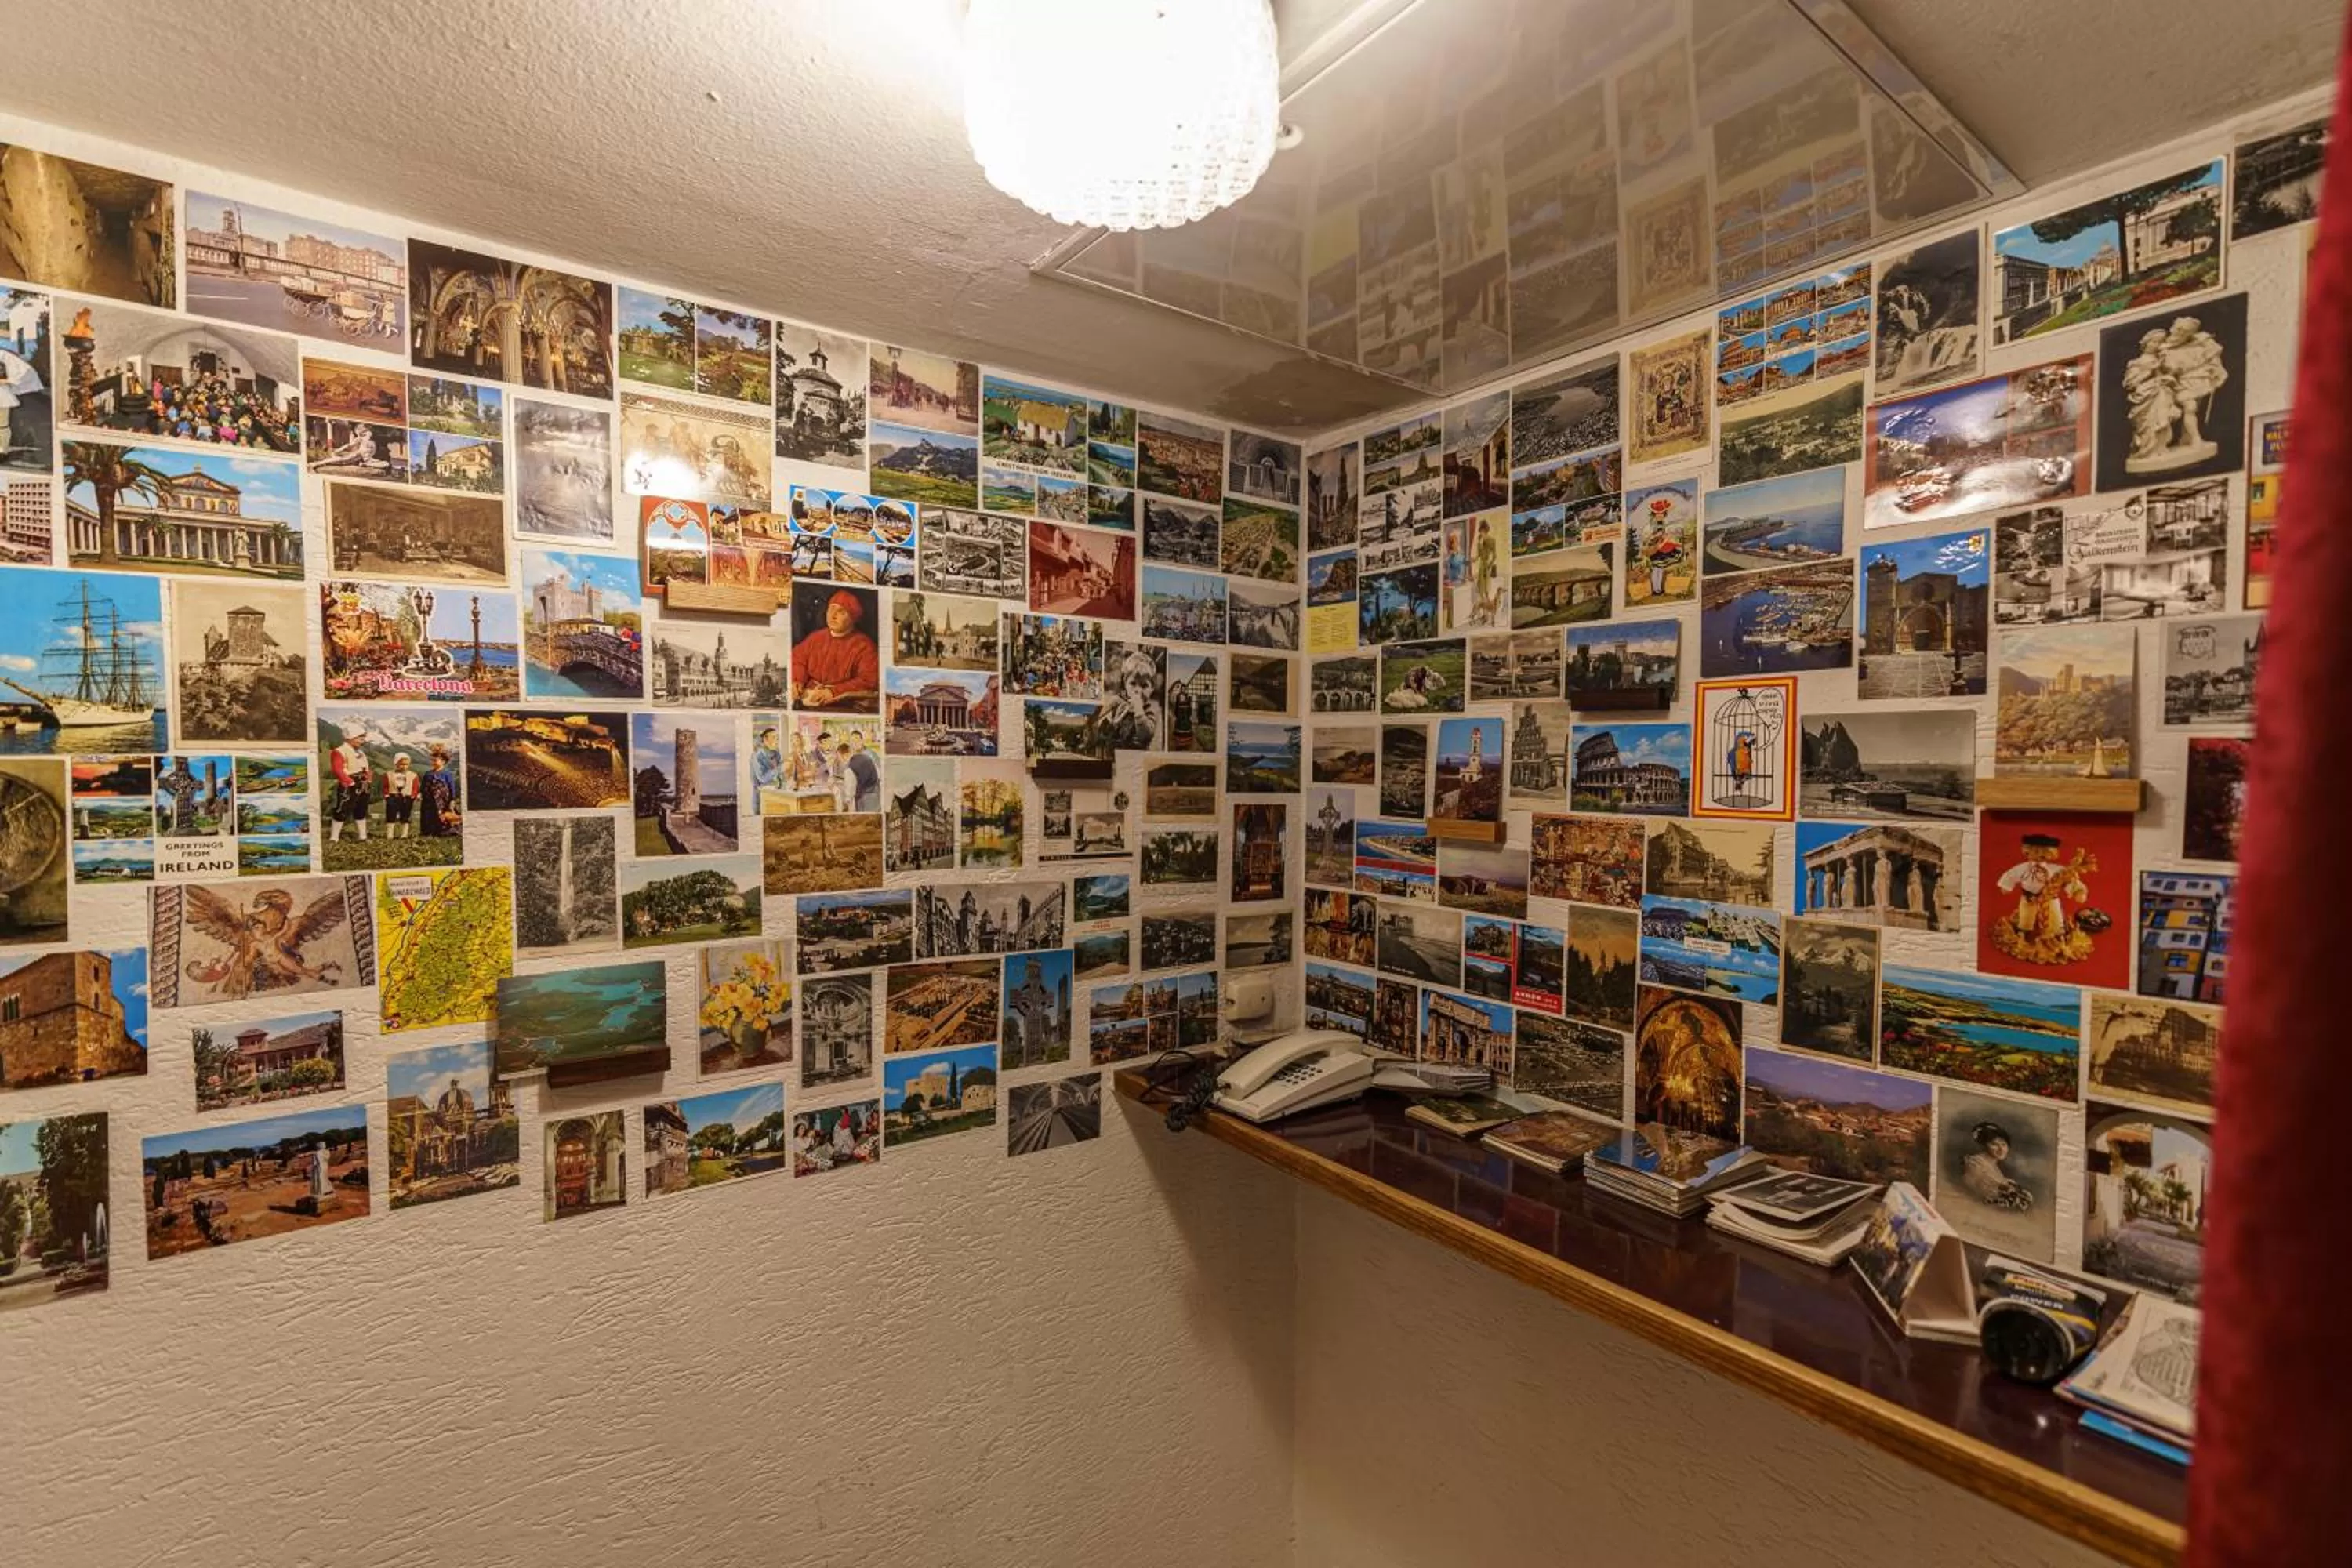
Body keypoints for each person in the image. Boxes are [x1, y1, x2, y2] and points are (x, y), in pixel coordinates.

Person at [791, 588, 879, 711]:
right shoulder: (816, 637)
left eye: (841, 612)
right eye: (831, 609)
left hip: (841, 704)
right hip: (808, 697)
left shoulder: (864, 645)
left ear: (852, 618)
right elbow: (798, 658)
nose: (833, 616)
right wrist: (797, 679)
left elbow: (869, 680)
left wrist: (833, 691)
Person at [1961, 1122, 2034, 1211]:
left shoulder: (1994, 1166)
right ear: (1984, 1145)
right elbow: (1973, 1191)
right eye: (1994, 1144)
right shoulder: (1975, 1163)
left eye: (2004, 1144)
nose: (2001, 1149)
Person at [328, 723, 373, 842]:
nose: (362, 741)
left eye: (363, 738)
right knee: (342, 809)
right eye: (360, 738)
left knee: (361, 810)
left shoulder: (360, 752)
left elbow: (366, 767)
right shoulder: (339, 751)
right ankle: (334, 838)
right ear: (350, 737)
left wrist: (369, 779)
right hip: (349, 784)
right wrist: (350, 782)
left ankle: (363, 836)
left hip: (363, 784)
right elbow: (337, 769)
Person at [420, 744, 459, 837]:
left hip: (443, 800)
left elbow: (451, 787)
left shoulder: (447, 774)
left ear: (443, 761)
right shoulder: (428, 774)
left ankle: (442, 831)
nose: (433, 762)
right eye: (432, 760)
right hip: (429, 800)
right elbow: (424, 786)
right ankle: (428, 831)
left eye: (435, 760)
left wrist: (452, 799)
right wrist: (421, 794)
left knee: (442, 814)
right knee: (429, 815)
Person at [382, 753, 419, 839]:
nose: (404, 766)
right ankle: (390, 834)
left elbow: (415, 787)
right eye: (402, 764)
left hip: (407, 797)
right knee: (391, 815)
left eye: (406, 764)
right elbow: (385, 786)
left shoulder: (413, 775)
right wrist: (386, 796)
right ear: (396, 763)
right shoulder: (388, 774)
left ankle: (404, 834)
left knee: (405, 816)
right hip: (392, 797)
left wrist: (413, 796)